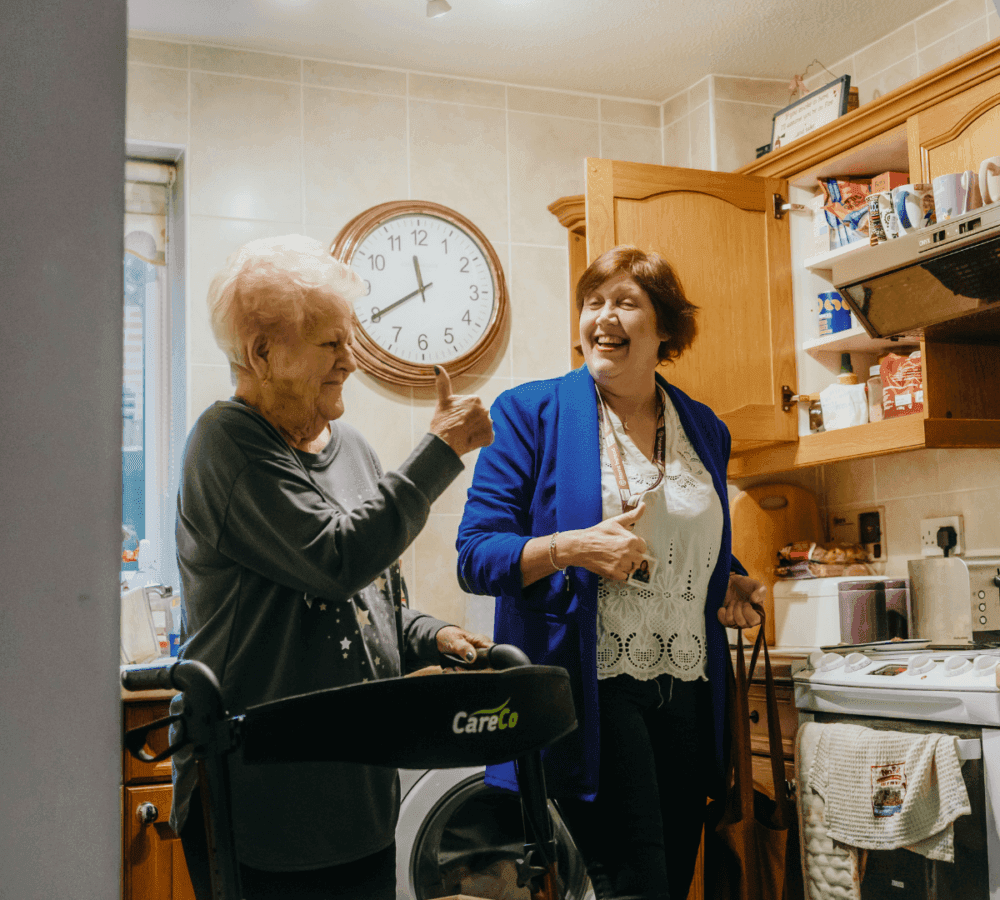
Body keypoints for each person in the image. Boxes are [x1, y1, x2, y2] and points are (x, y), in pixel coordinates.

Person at [169, 234, 494, 900]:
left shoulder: (353, 449)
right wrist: (438, 453)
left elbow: (365, 600)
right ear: (263, 352)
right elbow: (335, 559)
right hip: (261, 800)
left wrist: (427, 633)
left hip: (356, 798)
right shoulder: (225, 443)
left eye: (349, 341)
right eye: (332, 345)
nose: (351, 361)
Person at [456, 245, 764, 900]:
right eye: (593, 303)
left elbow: (680, 530)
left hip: (686, 686)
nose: (603, 317)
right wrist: (569, 548)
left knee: (674, 876)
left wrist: (724, 577)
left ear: (665, 330)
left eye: (625, 303)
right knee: (634, 882)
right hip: (591, 687)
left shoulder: (704, 427)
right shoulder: (528, 413)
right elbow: (476, 553)